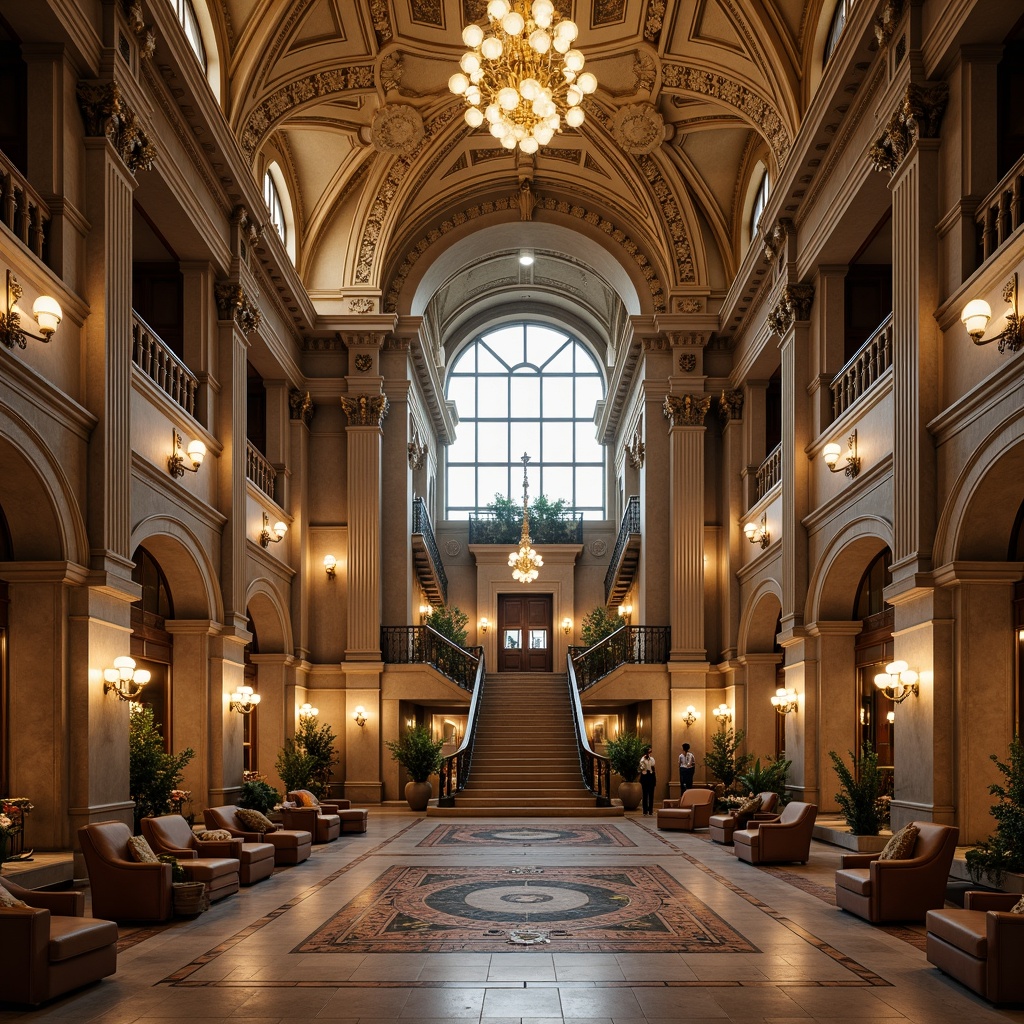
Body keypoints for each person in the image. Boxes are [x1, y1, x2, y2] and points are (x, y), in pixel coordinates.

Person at [639, 745, 657, 815]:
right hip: (645, 776)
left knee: (651, 794)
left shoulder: (652, 759)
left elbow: (653, 766)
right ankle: (645, 810)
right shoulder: (642, 760)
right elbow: (642, 767)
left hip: (651, 776)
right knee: (645, 794)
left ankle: (650, 810)